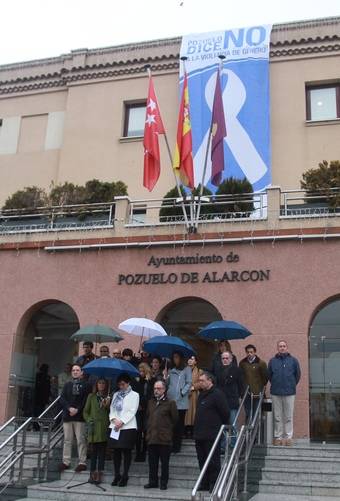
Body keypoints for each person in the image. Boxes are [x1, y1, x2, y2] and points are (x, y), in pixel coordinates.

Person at [194, 372, 229, 492]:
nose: (200, 383)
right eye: (199, 381)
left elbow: (225, 413)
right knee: (202, 459)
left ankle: (214, 484)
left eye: (202, 380)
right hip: (199, 434)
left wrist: (217, 425)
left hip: (212, 434)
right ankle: (204, 482)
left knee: (213, 460)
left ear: (210, 381)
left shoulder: (217, 394)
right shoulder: (201, 395)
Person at [144, 379, 178, 491]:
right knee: (152, 463)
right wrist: (148, 433)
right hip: (152, 438)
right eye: (155, 388)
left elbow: (175, 420)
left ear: (164, 389)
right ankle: (152, 481)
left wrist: (167, 432)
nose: (156, 390)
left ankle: (163, 482)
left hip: (164, 439)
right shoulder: (151, 402)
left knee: (164, 464)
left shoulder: (170, 403)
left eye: (158, 388)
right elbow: (148, 417)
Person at [59, 364, 91, 472]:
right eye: (73, 370)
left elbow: (86, 400)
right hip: (68, 416)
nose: (75, 372)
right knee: (67, 440)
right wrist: (69, 408)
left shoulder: (86, 385)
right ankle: (66, 462)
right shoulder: (67, 384)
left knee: (80, 440)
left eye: (77, 370)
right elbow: (62, 398)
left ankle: (82, 462)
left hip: (79, 416)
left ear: (82, 372)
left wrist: (77, 409)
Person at [268, 340, 301, 446]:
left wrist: (291, 385)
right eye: (280, 346)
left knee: (288, 416)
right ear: (277, 348)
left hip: (289, 392)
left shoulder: (293, 361)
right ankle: (278, 437)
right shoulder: (272, 361)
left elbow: (297, 375)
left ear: (287, 347)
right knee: (277, 416)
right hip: (276, 392)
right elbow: (269, 376)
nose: (282, 348)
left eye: (284, 346)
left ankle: (288, 437)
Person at [109, 373, 139, 487]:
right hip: (115, 426)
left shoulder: (135, 395)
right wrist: (113, 419)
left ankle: (125, 475)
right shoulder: (116, 394)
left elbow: (132, 410)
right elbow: (112, 409)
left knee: (126, 451)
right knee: (116, 452)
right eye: (119, 384)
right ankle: (117, 474)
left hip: (128, 426)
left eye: (123, 384)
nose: (121, 387)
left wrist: (122, 421)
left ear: (128, 383)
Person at [83, 378, 111, 484]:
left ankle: (99, 474)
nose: (101, 385)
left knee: (102, 453)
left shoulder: (108, 398)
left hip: (103, 427)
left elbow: (111, 413)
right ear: (96, 384)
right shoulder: (91, 396)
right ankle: (92, 474)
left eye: (103, 383)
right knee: (93, 452)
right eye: (99, 383)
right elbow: (85, 412)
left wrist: (107, 406)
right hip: (94, 428)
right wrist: (89, 420)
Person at [215, 351, 245, 447]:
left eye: (227, 358)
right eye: (223, 358)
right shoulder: (218, 369)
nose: (225, 360)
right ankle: (223, 445)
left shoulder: (236, 370)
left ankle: (234, 444)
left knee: (233, 423)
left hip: (232, 400)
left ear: (231, 359)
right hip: (220, 401)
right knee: (221, 424)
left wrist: (240, 396)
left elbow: (241, 385)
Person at [166, 351, 192, 453]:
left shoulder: (187, 369)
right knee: (170, 423)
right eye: (173, 357)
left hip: (181, 401)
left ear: (181, 358)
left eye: (177, 357)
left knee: (179, 424)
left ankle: (177, 445)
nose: (175, 359)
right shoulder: (170, 370)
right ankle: (170, 443)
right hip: (171, 399)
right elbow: (167, 384)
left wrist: (182, 392)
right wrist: (165, 377)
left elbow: (189, 382)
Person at [239, 344, 268, 421]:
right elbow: (240, 377)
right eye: (248, 352)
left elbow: (265, 377)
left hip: (258, 393)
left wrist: (260, 387)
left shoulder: (261, 363)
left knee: (257, 412)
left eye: (251, 352)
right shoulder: (242, 363)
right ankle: (249, 431)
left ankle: (257, 431)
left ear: (255, 352)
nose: (249, 354)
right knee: (248, 413)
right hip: (246, 393)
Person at [134, 362, 153, 461]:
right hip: (138, 408)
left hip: (147, 409)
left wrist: (148, 381)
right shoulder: (136, 381)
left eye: (143, 371)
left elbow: (151, 395)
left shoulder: (150, 381)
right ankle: (138, 453)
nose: (141, 373)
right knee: (138, 431)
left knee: (146, 431)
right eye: (139, 371)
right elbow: (134, 394)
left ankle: (144, 452)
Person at [184, 355, 202, 438]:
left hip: (194, 395)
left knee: (193, 414)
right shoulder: (183, 370)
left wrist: (194, 387)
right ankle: (185, 431)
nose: (190, 360)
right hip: (185, 395)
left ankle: (192, 431)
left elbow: (201, 382)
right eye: (189, 359)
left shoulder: (199, 371)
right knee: (185, 413)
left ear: (195, 361)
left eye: (192, 359)